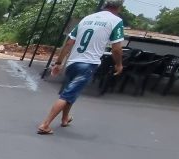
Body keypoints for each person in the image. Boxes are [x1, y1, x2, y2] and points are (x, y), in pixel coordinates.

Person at [37, 0, 125, 135]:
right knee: (67, 95)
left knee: (71, 91)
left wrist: (59, 63)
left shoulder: (87, 19)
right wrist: (119, 64)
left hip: (73, 62)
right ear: (118, 8)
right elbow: (117, 49)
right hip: (88, 64)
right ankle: (45, 124)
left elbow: (69, 43)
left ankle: (65, 118)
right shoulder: (116, 21)